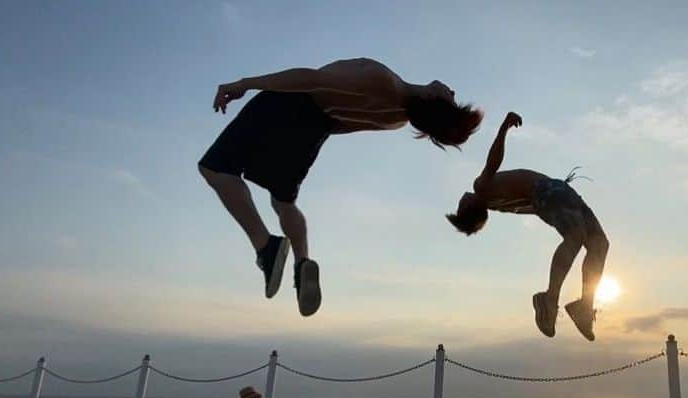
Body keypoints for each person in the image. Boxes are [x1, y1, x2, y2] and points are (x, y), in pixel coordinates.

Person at [199, 58, 483, 316]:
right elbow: (342, 125)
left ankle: (266, 246)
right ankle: (302, 263)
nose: (453, 92)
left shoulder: (382, 80)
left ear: (436, 101)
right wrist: (305, 138)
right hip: (318, 127)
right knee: (283, 201)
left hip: (288, 102)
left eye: (452, 99)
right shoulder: (395, 120)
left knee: (215, 168)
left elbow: (309, 79)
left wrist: (244, 84)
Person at [445, 112, 609, 341]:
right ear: (470, 206)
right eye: (460, 205)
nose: (460, 199)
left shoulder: (498, 205)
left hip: (556, 194)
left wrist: (552, 209)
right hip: (550, 192)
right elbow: (493, 162)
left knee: (599, 243)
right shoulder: (481, 188)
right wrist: (503, 128)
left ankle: (584, 305)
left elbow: (531, 207)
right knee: (576, 236)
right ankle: (551, 298)